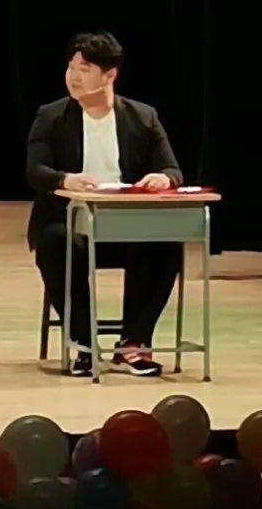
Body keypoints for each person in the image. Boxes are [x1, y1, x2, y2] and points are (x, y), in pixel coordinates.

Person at [26, 30, 182, 378]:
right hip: (68, 222)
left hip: (125, 225)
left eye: (84, 69)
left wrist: (163, 179)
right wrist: (65, 179)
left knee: (164, 245)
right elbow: (35, 170)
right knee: (56, 243)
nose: (74, 77)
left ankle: (133, 345)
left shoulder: (143, 117)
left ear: (109, 75)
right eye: (71, 67)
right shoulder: (51, 116)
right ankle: (84, 346)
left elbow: (172, 169)